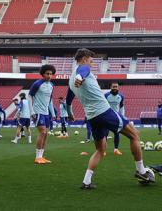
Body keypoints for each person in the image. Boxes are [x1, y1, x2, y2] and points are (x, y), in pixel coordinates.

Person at [65, 48, 155, 189]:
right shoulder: (82, 69)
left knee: (100, 150)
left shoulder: (70, 79)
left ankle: (86, 182)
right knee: (135, 135)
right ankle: (141, 171)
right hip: (104, 112)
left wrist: (70, 113)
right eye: (91, 61)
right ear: (83, 59)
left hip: (92, 117)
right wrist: (80, 78)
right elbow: (84, 71)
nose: (91, 64)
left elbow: (68, 100)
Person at [29, 64, 56, 164]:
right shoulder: (37, 84)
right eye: (47, 73)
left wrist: (52, 113)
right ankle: (37, 157)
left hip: (46, 113)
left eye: (51, 74)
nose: (49, 75)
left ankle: (41, 156)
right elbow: (29, 96)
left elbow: (50, 100)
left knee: (46, 135)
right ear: (43, 74)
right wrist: (32, 111)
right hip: (38, 111)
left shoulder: (52, 85)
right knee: (42, 132)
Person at [105, 83, 125, 155]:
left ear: (118, 88)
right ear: (111, 87)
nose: (115, 88)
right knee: (105, 134)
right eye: (113, 87)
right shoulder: (106, 95)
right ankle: (103, 150)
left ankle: (116, 150)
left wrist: (122, 116)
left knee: (117, 133)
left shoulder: (121, 96)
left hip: (116, 117)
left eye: (116, 87)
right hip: (107, 116)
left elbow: (122, 106)